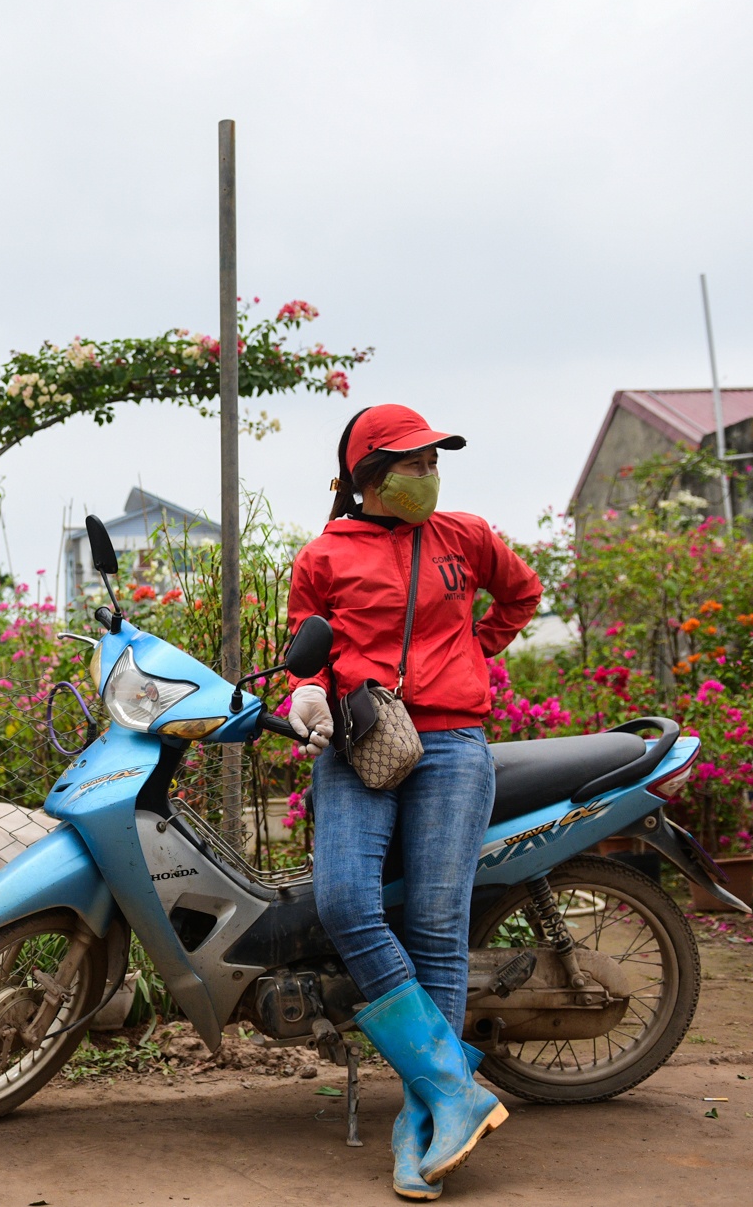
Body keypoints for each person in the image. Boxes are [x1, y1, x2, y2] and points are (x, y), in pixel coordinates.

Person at [282, 403, 541, 1201]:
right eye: (413, 463)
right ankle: (453, 1089)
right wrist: (304, 694)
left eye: (434, 460)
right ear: (369, 476)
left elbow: (520, 597)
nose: (430, 474)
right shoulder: (323, 555)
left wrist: (470, 651)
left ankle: (419, 1122)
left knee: (434, 923)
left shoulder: (466, 534)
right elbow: (301, 646)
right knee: (346, 900)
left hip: (456, 743)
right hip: (363, 740)